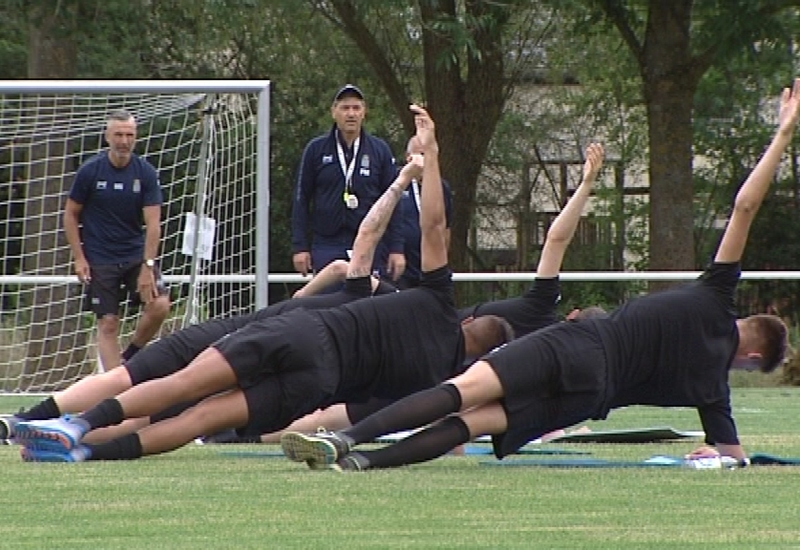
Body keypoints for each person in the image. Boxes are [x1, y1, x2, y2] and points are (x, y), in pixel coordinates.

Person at [280, 79, 800, 471]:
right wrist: (727, 456)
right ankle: (362, 464)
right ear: (751, 357)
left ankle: (346, 442)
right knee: (472, 423)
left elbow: (744, 208)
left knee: (462, 395)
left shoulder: (714, 296)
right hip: (589, 397)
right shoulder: (714, 388)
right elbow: (734, 455)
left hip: (577, 347)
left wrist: (781, 134)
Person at [17, 105, 513, 462]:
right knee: (200, 419)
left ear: (466, 320)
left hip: (300, 333)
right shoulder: (433, 380)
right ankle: (82, 454)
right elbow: (368, 417)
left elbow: (423, 229)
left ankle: (75, 423)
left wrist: (424, 162)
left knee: (178, 384)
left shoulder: (431, 299)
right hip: (318, 381)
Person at [0, 149, 418, 445]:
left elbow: (356, 253)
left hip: (256, 341)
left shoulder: (369, 322)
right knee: (155, 397)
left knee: (151, 389)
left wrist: (403, 179)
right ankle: (50, 432)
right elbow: (345, 266)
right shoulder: (371, 322)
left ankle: (39, 426)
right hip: (262, 341)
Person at [252, 142, 606, 445]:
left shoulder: (548, 347)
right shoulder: (544, 317)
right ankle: (254, 419)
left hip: (431, 349)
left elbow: (557, 240)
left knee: (342, 398)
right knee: (349, 286)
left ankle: (250, 427)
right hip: (430, 336)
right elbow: (556, 239)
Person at [63, 109, 171, 371]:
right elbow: (70, 213)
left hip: (135, 256)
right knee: (108, 323)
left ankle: (131, 354)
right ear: (107, 136)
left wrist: (148, 265)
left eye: (129, 135)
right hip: (100, 259)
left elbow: (154, 223)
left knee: (160, 304)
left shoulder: (144, 172)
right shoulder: (90, 171)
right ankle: (114, 391)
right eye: (119, 134)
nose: (124, 141)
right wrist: (79, 257)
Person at [291, 84, 406, 284]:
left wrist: (397, 248)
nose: (351, 114)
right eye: (345, 108)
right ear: (333, 112)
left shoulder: (379, 150)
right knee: (327, 308)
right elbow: (301, 199)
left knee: (366, 308)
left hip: (371, 243)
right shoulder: (316, 150)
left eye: (356, 108)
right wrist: (300, 246)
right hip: (327, 243)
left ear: (364, 112)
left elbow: (394, 201)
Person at [393, 135, 454, 289]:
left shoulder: (441, 188)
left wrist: (441, 260)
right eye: (420, 154)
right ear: (408, 158)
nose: (424, 159)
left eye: (428, 154)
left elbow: (445, 229)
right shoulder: (395, 182)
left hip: (429, 267)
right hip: (401, 268)